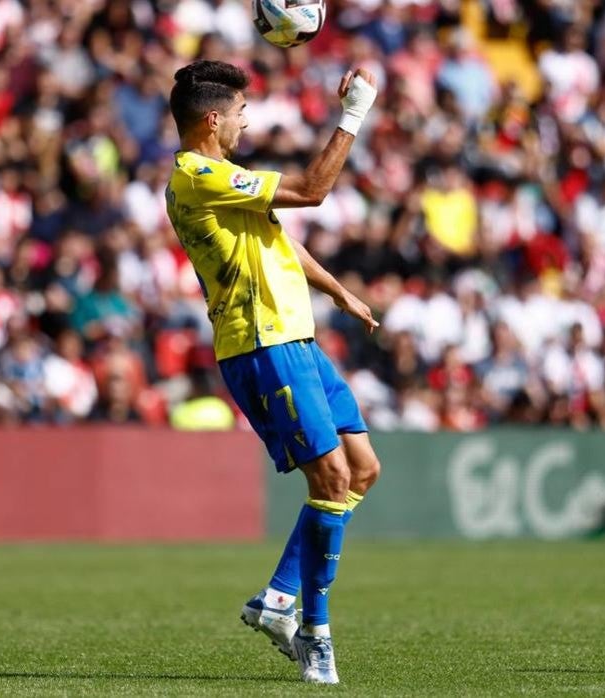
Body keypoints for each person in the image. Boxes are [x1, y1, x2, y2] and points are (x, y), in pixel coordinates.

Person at [164, 60, 382, 685]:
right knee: (333, 475)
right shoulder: (195, 174)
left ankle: (279, 596)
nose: (244, 120)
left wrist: (340, 293)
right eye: (237, 112)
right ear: (212, 119)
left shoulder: (227, 177)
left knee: (362, 468)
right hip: (260, 343)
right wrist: (355, 113)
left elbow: (280, 241)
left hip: (297, 337)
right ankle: (312, 627)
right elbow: (314, 190)